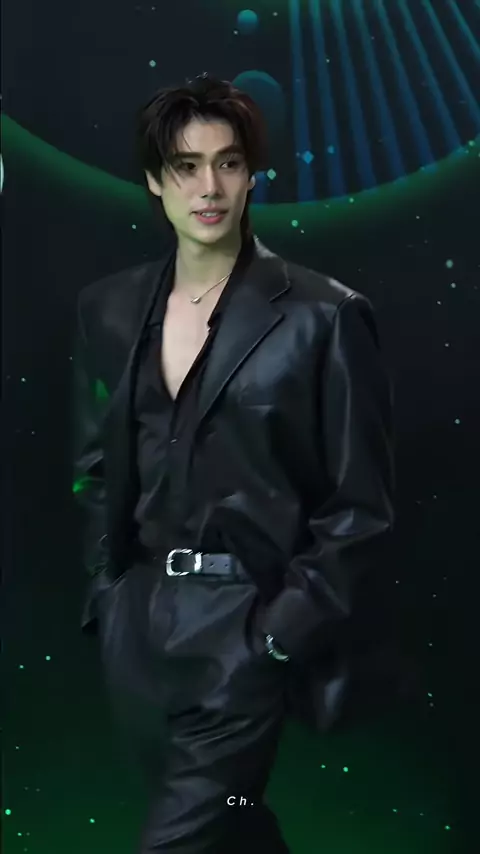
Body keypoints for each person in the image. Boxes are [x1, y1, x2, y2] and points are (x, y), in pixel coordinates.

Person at [72, 73, 395, 854]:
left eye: (228, 163)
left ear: (252, 175)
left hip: (244, 625)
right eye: (186, 167)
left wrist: (277, 636)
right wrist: (109, 597)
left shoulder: (325, 316)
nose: (209, 188)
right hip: (139, 623)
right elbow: (95, 468)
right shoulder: (107, 310)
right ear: (156, 181)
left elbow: (361, 506)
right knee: (233, 829)